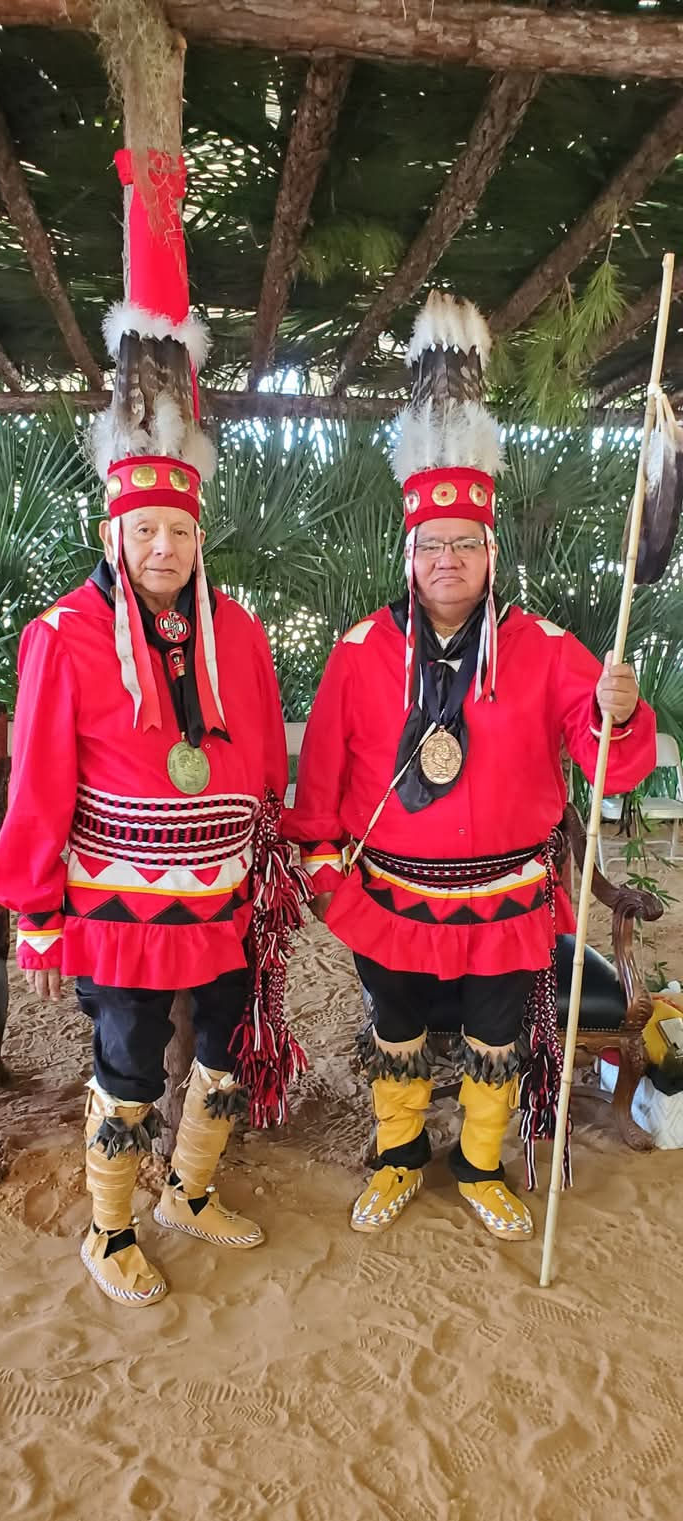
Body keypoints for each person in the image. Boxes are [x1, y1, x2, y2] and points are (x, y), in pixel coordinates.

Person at [0, 146, 307, 1306]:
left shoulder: (242, 634)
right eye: (144, 533)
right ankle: (110, 1230)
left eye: (179, 530)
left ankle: (191, 1187)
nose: (163, 548)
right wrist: (30, 908)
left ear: (196, 531)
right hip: (118, 903)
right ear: (115, 532)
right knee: (124, 1059)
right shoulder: (64, 635)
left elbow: (266, 757)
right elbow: (35, 788)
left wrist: (278, 847)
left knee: (221, 1042)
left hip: (220, 892)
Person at [287, 292, 656, 1241]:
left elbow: (607, 760)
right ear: (408, 552)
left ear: (490, 551)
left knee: (499, 1036)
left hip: (507, 897)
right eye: (431, 545)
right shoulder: (362, 649)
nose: (447, 559)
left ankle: (482, 1164)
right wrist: (329, 877)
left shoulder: (547, 647)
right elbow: (321, 780)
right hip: (392, 894)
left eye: (464, 544)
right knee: (397, 1030)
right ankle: (401, 1154)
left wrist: (619, 707)